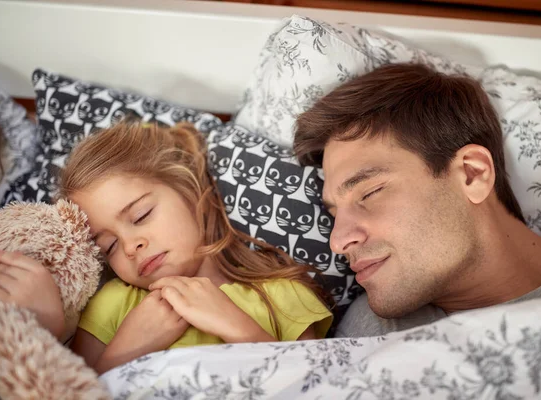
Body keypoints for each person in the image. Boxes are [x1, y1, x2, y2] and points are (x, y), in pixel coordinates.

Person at [293, 62, 541, 337]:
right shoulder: (373, 331)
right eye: (334, 213)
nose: (338, 242)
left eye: (369, 193)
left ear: (472, 174)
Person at [51, 121, 333, 374]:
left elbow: (318, 385)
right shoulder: (113, 303)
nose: (130, 247)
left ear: (191, 191)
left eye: (140, 216)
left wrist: (237, 327)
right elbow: (74, 391)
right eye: (109, 246)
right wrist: (127, 349)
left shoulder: (281, 293)